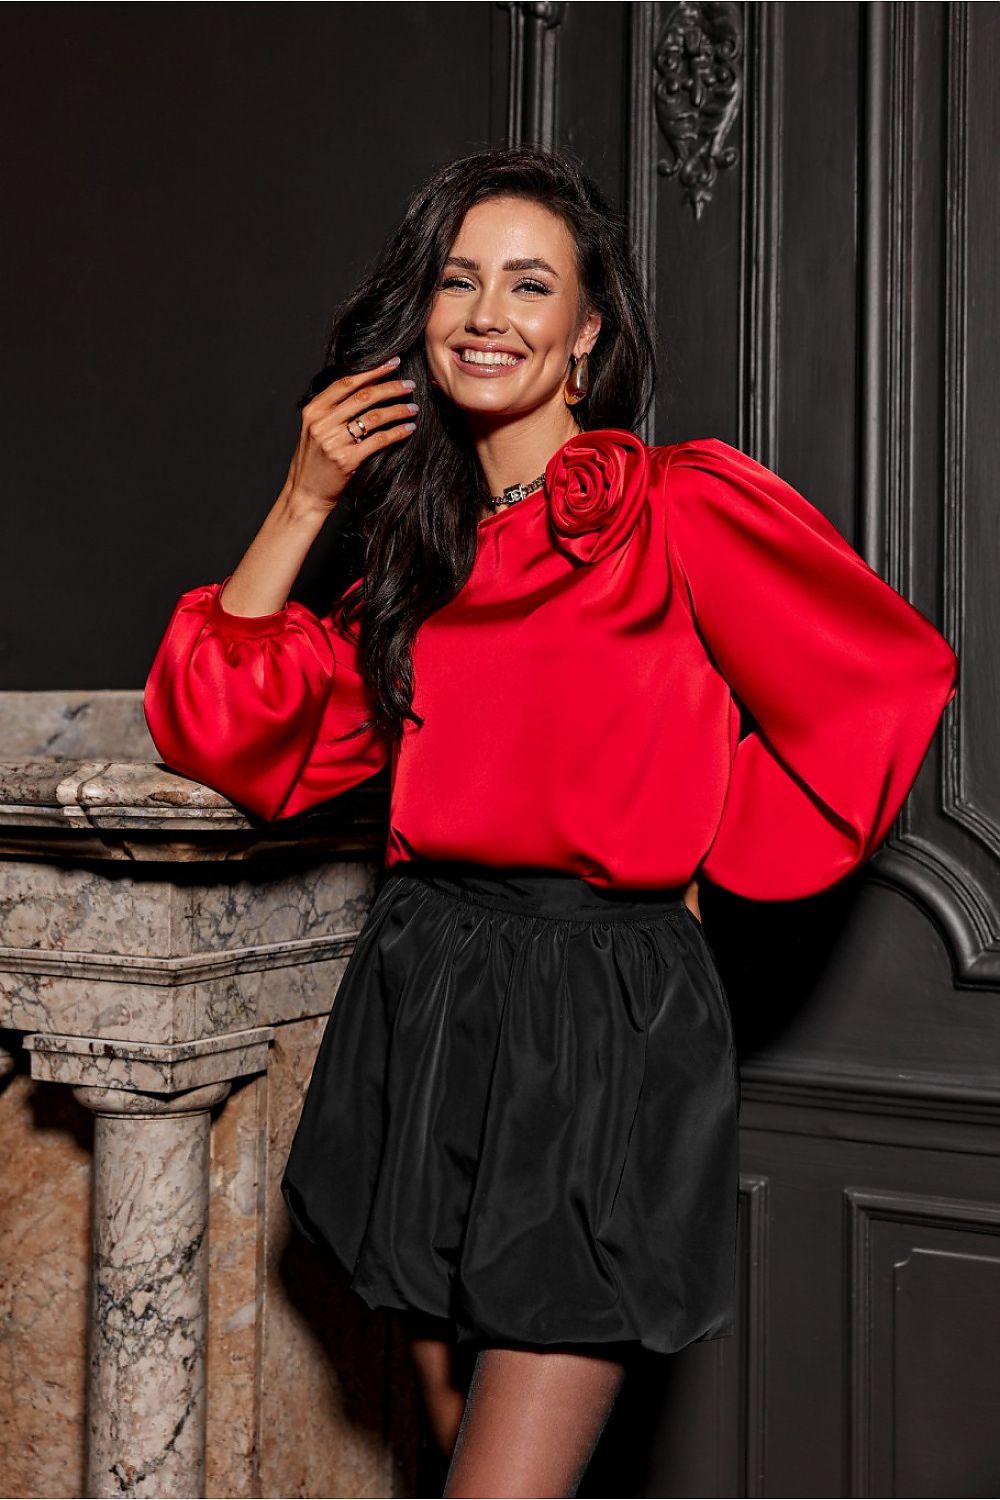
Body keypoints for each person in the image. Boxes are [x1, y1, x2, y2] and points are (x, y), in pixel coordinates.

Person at [143, 144, 959, 1498]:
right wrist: (305, 499)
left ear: (585, 335)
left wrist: (699, 856)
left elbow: (882, 679)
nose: (486, 314)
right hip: (430, 998)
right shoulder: (426, 552)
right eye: (459, 281)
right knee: (454, 1428)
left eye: (530, 286)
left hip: (605, 1021)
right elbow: (227, 726)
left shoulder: (679, 507)